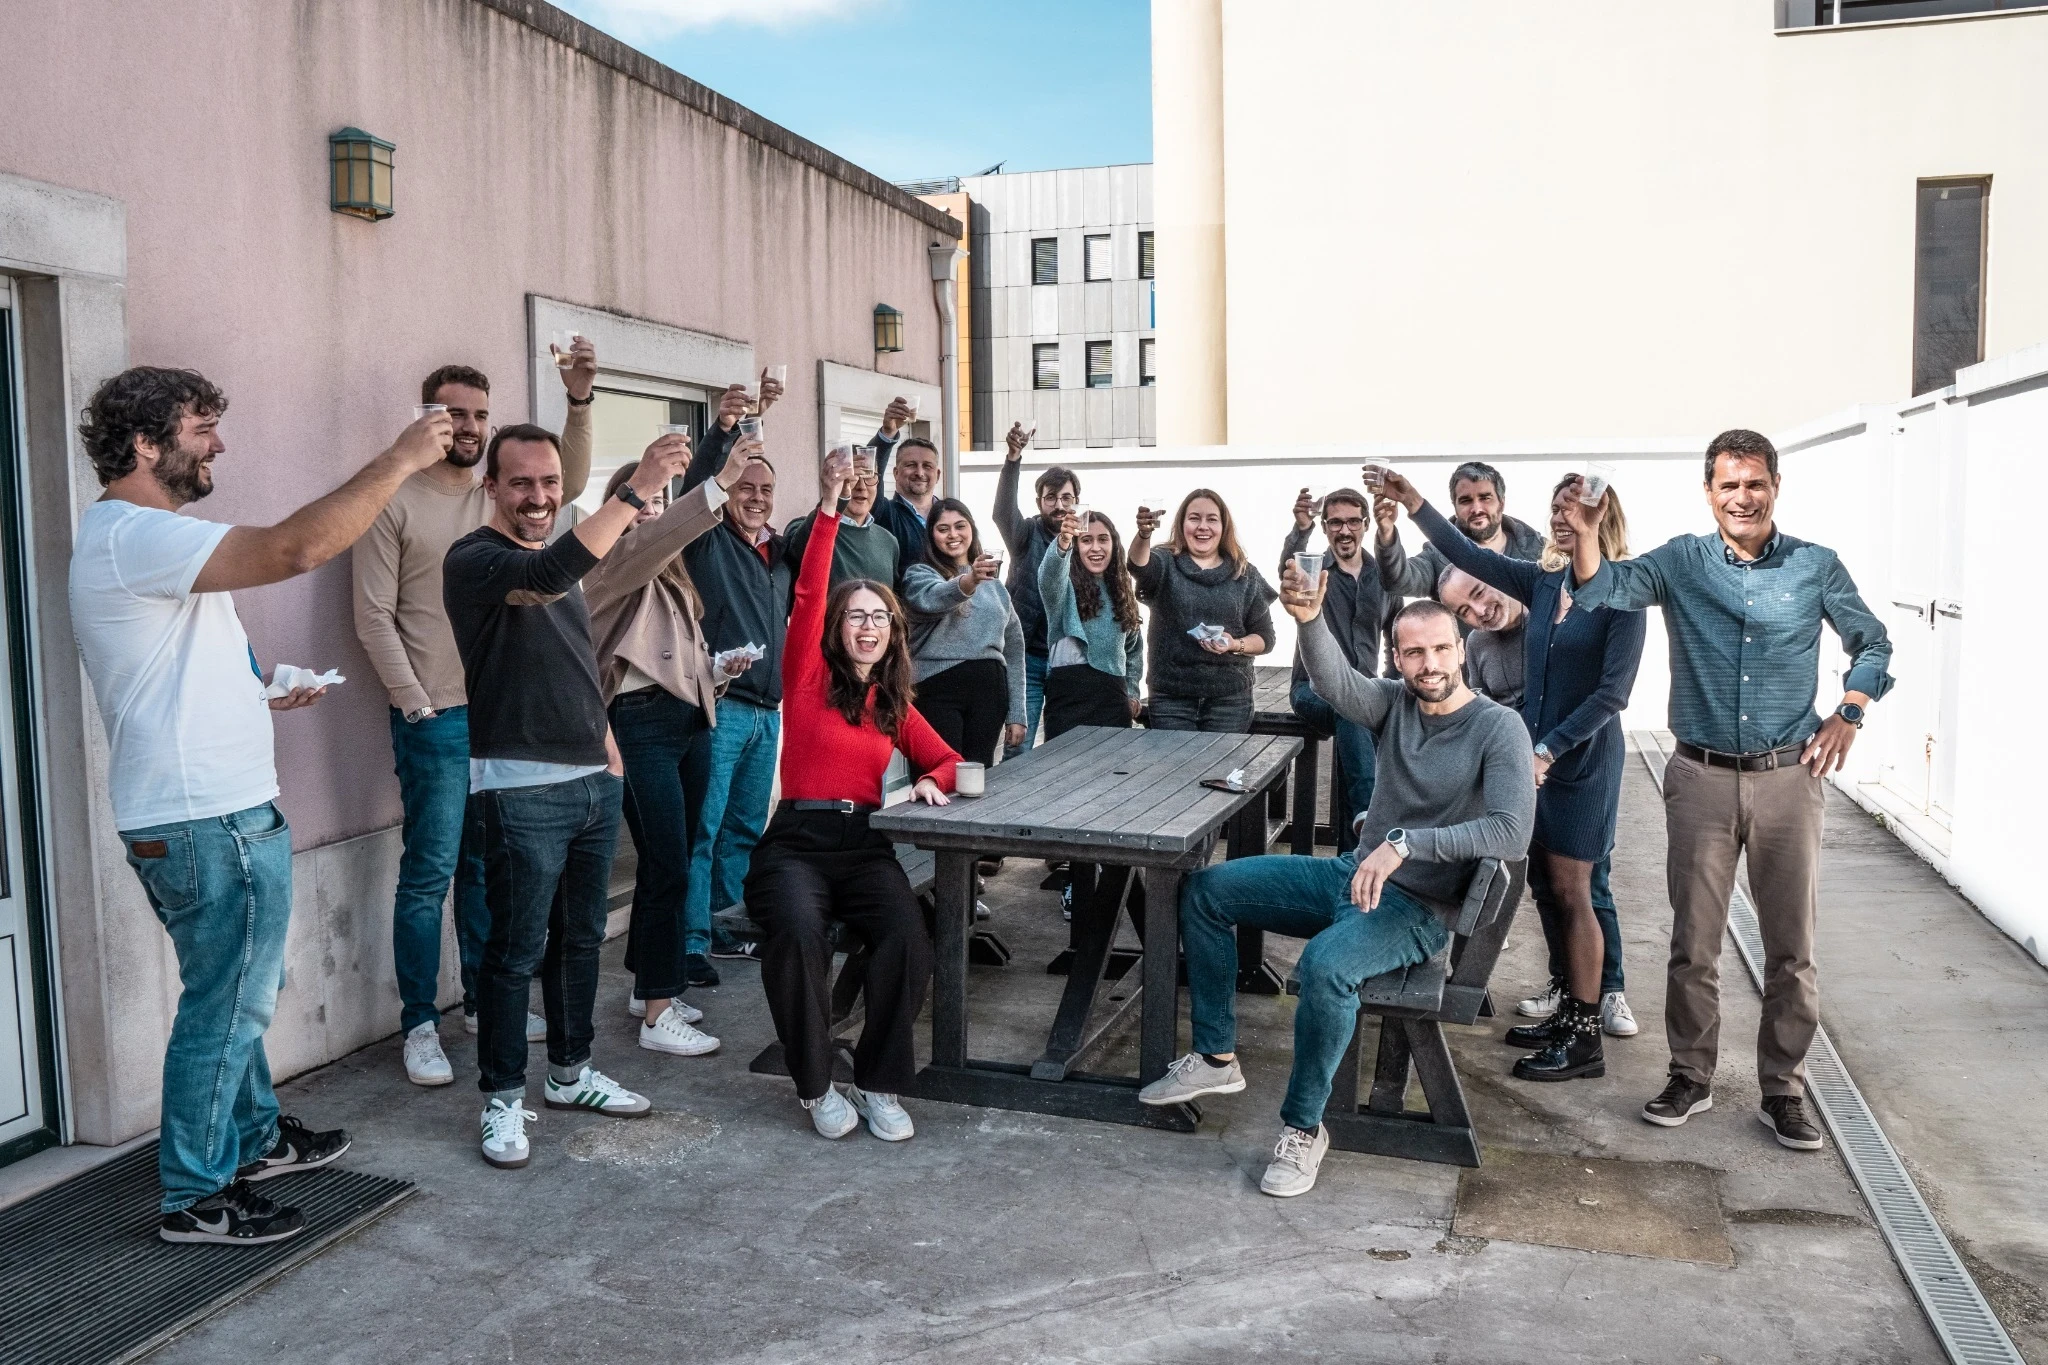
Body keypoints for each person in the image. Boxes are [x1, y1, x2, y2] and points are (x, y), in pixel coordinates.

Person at [72, 366, 451, 1243]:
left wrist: (262, 691)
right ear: (144, 443)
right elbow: (292, 549)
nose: (221, 444)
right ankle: (194, 1194)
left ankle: (251, 1136)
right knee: (227, 1002)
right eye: (202, 428)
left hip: (216, 812)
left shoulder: (143, 539)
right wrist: (397, 459)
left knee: (241, 986)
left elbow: (172, 665)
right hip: (207, 819)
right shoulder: (136, 535)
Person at [1141, 581, 1535, 1198]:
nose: (1427, 665)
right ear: (1397, 659)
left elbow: (1511, 832)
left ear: (1461, 650)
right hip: (1350, 875)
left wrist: (1406, 843)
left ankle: (1304, 1129)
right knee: (1208, 890)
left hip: (1418, 907)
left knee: (1325, 966)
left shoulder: (1498, 727)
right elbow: (1334, 684)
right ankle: (1217, 1057)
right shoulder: (1393, 704)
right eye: (1412, 653)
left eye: (1439, 650)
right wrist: (1308, 619)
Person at [1563, 429, 1893, 1150]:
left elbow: (1873, 642)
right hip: (1700, 777)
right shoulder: (1681, 560)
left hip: (1787, 780)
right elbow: (1605, 588)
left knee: (1791, 949)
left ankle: (1783, 1088)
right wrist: (1587, 536)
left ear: (1775, 484)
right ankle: (1691, 1073)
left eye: (1754, 483)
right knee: (1694, 944)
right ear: (1708, 492)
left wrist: (1849, 712)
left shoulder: (1815, 566)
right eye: (1728, 485)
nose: (1742, 497)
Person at [442, 424, 695, 1170]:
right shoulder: (477, 560)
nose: (539, 496)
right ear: (490, 488)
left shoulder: (560, 561)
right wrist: (635, 490)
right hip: (519, 787)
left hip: (589, 779)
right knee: (513, 950)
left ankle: (571, 1074)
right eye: (521, 482)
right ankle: (500, 1101)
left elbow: (570, 656)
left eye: (551, 483)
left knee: (582, 938)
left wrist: (606, 750)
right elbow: (550, 572)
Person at [352, 345, 598, 1085]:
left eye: (480, 415)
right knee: (429, 870)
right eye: (455, 413)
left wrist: (578, 401)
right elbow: (372, 615)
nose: (469, 425)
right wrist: (416, 703)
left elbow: (572, 483)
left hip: (505, 722)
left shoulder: (493, 497)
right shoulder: (392, 495)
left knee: (486, 869)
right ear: (427, 417)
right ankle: (419, 1021)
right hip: (438, 716)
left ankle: (481, 1008)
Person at [1387, 470, 1647, 1080]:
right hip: (1534, 763)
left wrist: (1548, 749)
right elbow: (1464, 553)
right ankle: (1567, 1009)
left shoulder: (1623, 593)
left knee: (1577, 891)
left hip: (1580, 762)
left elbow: (1613, 694)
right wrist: (1413, 501)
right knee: (1549, 891)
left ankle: (1586, 1038)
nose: (1561, 517)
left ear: (1600, 515)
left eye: (1574, 508)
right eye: (1555, 507)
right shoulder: (1544, 580)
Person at [744, 448, 960, 1142]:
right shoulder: (806, 674)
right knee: (801, 935)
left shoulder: (891, 701)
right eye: (856, 615)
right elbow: (809, 589)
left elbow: (951, 761)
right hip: (797, 846)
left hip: (866, 847)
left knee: (908, 938)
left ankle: (878, 1081)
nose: (868, 624)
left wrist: (930, 779)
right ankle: (814, 1084)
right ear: (838, 629)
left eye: (881, 617)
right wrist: (831, 498)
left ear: (893, 632)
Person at [584, 443, 762, 1059]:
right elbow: (646, 547)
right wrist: (718, 484)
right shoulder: (611, 560)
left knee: (678, 857)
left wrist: (718, 671)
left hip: (689, 722)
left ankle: (646, 986)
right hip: (639, 729)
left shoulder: (672, 575)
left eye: (663, 502)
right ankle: (658, 1013)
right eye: (644, 501)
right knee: (667, 866)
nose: (655, 513)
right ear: (618, 506)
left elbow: (668, 663)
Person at [677, 442, 789, 967]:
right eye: (746, 487)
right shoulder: (708, 540)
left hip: (768, 712)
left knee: (744, 828)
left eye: (766, 489)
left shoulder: (778, 552)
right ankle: (692, 940)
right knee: (702, 827)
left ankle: (727, 923)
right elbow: (692, 494)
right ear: (726, 492)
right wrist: (723, 432)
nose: (757, 498)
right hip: (722, 707)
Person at [1039, 507, 1148, 925]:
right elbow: (1048, 575)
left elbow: (1135, 647)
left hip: (1111, 696)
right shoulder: (1064, 586)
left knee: (1110, 792)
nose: (1096, 547)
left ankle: (1111, 877)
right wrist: (1063, 541)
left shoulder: (1123, 589)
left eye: (1103, 539)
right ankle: (1075, 880)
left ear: (1114, 545)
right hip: (1071, 693)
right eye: (1088, 540)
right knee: (1071, 793)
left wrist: (1133, 690)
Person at [1279, 489, 1385, 850]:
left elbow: (1399, 634)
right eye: (1336, 522)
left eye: (1353, 521)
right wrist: (1300, 529)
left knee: (1361, 719)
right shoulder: (1313, 570)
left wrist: (1397, 690)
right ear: (1325, 527)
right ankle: (1370, 818)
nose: (1345, 529)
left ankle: (1353, 845)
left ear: (1365, 525)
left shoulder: (1383, 575)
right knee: (1350, 711)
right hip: (1313, 690)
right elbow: (1287, 570)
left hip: (1366, 689)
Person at [1128, 489, 1277, 732]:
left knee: (1222, 770)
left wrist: (1234, 644)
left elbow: (1265, 639)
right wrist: (1144, 534)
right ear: (1182, 524)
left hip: (1230, 700)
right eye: (1194, 518)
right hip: (1171, 698)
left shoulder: (1245, 573)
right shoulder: (1165, 562)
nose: (1202, 526)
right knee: (1174, 770)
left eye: (1211, 519)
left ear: (1223, 526)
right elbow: (1138, 565)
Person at [900, 499, 1027, 766]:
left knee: (977, 777)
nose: (953, 534)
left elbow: (1014, 648)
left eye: (960, 526)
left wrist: (1017, 712)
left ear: (972, 529)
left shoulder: (995, 586)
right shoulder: (919, 575)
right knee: (937, 775)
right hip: (935, 689)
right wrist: (969, 580)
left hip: (990, 692)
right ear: (931, 535)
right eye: (943, 529)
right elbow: (932, 599)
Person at [992, 421, 1079, 754]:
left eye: (1066, 498)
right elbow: (1002, 513)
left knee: (1065, 749)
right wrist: (1013, 459)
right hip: (1025, 655)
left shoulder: (1087, 540)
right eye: (1051, 498)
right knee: (1018, 746)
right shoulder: (1025, 534)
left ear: (1077, 500)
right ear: (1040, 500)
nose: (1059, 505)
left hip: (1067, 658)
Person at [1375, 460, 1545, 600]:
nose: (1476, 508)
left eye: (1485, 498)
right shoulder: (1437, 556)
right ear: (1455, 507)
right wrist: (1387, 535)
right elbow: (1398, 581)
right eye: (1465, 501)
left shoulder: (1541, 551)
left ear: (1502, 502)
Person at [783, 445, 900, 589]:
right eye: (852, 478)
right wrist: (834, 499)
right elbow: (798, 548)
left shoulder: (888, 541)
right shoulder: (808, 528)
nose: (861, 487)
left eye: (869, 477)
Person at [1438, 564, 1528, 708]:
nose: (1480, 611)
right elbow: (1485, 710)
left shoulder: (1550, 615)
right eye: (1465, 611)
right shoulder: (1476, 642)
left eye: (1479, 593)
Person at [868, 396, 940, 573]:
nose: (920, 472)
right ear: (896, 473)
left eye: (927, 466)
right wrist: (887, 433)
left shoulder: (952, 514)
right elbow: (869, 472)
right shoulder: (884, 513)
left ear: (937, 474)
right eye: (911, 465)